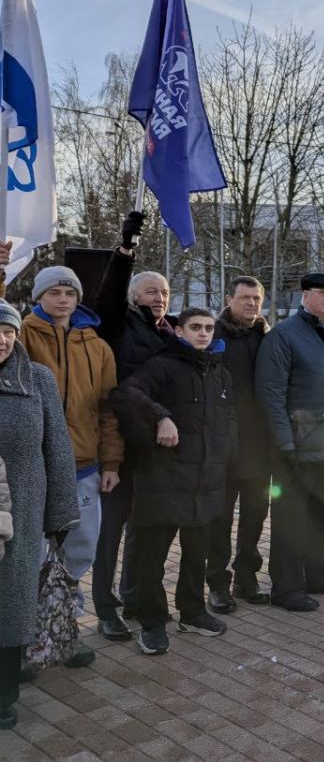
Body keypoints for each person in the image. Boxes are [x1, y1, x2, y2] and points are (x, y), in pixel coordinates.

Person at [110, 308, 237, 655]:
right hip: (163, 479)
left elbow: (229, 418)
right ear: (179, 331)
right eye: (195, 327)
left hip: (206, 480)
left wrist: (226, 450)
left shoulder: (219, 373)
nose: (203, 333)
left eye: (209, 328)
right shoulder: (161, 365)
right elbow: (125, 395)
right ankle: (152, 624)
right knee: (152, 559)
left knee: (197, 554)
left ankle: (192, 613)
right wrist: (161, 417)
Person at [19, 266, 122, 615]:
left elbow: (109, 411)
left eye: (69, 293)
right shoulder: (21, 336)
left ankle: (66, 624)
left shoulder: (98, 347)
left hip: (84, 468)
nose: (63, 300)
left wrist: (110, 462)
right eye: (54, 293)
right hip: (34, 467)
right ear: (39, 297)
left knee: (80, 549)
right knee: (30, 552)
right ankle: (27, 629)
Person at [256, 273, 324, 612]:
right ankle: (286, 588)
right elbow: (270, 394)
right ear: (305, 296)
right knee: (292, 519)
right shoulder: (284, 336)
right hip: (297, 447)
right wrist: (284, 443)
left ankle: (321, 576)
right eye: (323, 293)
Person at [90, 212, 171, 642]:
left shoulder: (171, 334)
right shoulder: (118, 325)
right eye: (150, 291)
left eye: (163, 292)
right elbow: (108, 296)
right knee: (111, 532)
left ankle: (134, 596)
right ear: (135, 296)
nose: (158, 297)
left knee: (144, 530)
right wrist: (126, 249)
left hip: (155, 451)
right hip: (119, 445)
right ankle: (104, 607)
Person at [0, 300, 81, 730]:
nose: (1, 338)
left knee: (13, 603)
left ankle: (4, 693)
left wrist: (60, 515)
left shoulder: (36, 380)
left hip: (26, 511)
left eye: (8, 331)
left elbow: (58, 449)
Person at [206, 277, 274, 613]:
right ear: (229, 299)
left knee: (255, 516)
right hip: (224, 447)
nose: (251, 303)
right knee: (219, 519)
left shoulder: (268, 337)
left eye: (257, 298)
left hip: (260, 447)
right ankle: (217, 584)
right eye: (245, 297)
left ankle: (246, 578)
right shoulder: (214, 335)